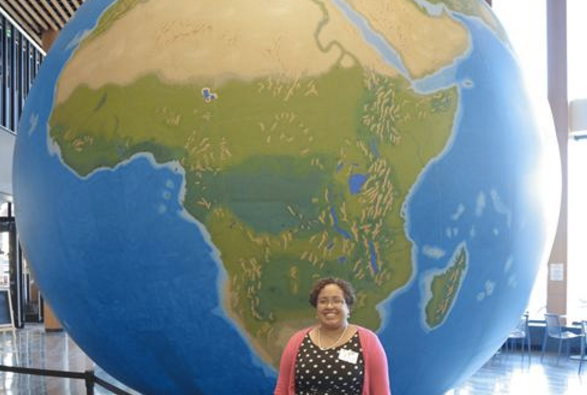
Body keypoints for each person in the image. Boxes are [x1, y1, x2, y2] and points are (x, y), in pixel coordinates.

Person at [274, 277, 392, 395]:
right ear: (316, 308)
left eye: (337, 300)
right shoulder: (297, 340)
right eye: (323, 301)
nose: (329, 306)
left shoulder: (368, 341)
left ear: (348, 307)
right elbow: (282, 389)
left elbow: (381, 392)